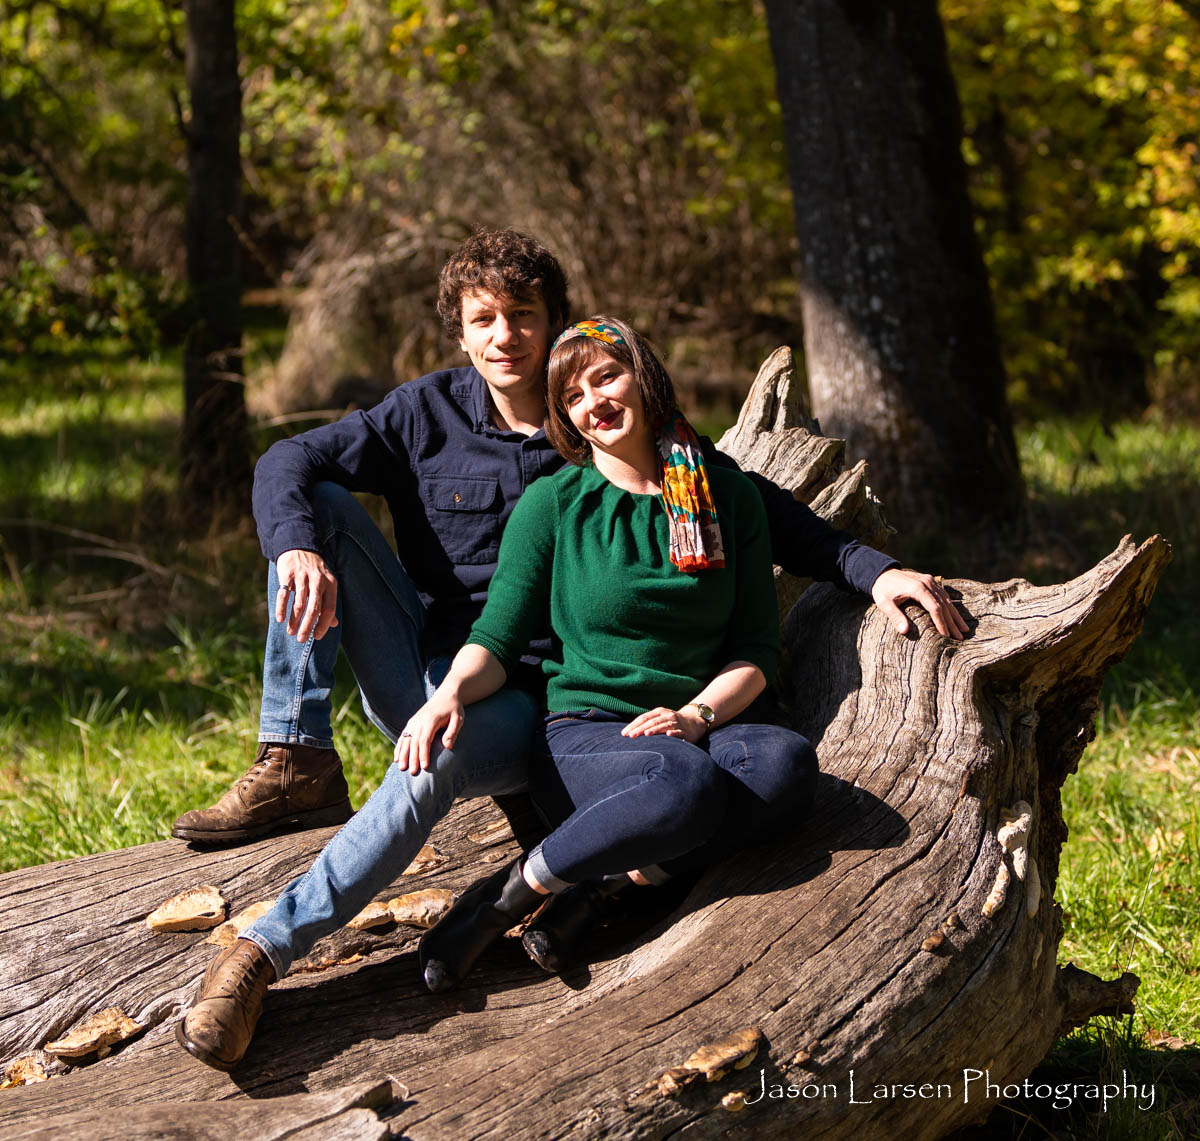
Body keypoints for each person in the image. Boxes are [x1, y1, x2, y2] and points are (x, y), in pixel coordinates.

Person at [173, 232, 967, 1071]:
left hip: (543, 702)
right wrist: (295, 547)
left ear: (558, 323)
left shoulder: (614, 434)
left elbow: (766, 511)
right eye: (484, 320)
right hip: (443, 669)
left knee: (733, 772)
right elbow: (287, 459)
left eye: (523, 315)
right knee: (314, 510)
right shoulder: (424, 414)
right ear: (460, 333)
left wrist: (874, 570)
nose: (504, 336)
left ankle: (557, 882)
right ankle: (291, 781)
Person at [407, 317, 819, 992]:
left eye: (606, 378)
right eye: (572, 395)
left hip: (701, 725)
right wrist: (448, 694)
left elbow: (755, 650)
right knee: (682, 782)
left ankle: (599, 888)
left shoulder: (727, 497)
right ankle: (501, 901)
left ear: (644, 378)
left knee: (785, 766)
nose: (593, 402)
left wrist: (694, 717)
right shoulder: (554, 504)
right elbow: (498, 639)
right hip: (587, 737)